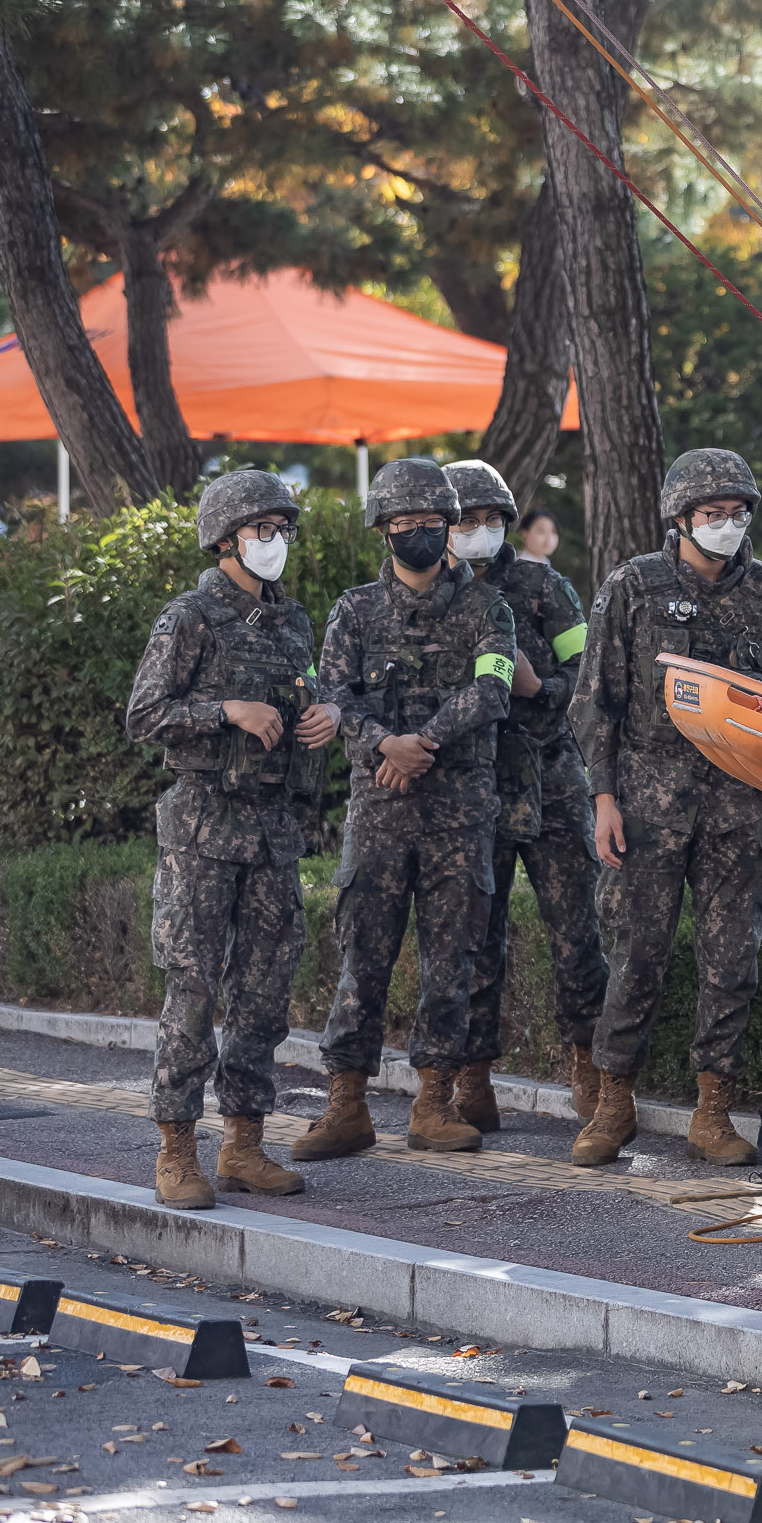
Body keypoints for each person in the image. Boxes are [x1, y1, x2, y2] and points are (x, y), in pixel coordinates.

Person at [573, 448, 762, 1167]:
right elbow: (596, 704)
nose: (726, 525)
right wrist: (603, 800)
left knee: (731, 960)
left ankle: (712, 1111)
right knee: (635, 959)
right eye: (712, 514)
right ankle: (611, 1101)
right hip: (646, 812)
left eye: (737, 512)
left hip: (735, 814)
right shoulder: (632, 587)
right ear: (680, 518)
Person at [124, 470, 336, 1209]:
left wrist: (325, 720)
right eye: (263, 530)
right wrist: (227, 711)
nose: (276, 542)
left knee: (265, 992)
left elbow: (309, 696)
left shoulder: (292, 621)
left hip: (273, 831)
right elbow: (144, 714)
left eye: (283, 529)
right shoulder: (188, 617)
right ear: (227, 538)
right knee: (192, 987)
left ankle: (244, 1142)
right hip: (203, 830)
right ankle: (176, 1148)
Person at [298, 458, 514, 1161]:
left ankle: (434, 1102)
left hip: (459, 808)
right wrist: (384, 742)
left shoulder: (489, 608)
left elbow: (493, 689)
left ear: (447, 525)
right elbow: (332, 696)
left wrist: (425, 740)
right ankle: (347, 1104)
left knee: (452, 960)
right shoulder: (354, 611)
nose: (416, 534)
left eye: (428, 523)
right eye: (402, 524)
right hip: (380, 808)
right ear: (382, 530)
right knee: (363, 957)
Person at [443, 460, 607, 1136]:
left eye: (490, 519)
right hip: (472, 788)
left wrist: (542, 690)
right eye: (464, 520)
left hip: (553, 783)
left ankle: (588, 1063)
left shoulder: (544, 585)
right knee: (474, 936)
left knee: (577, 929)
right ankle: (472, 1075)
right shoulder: (432, 596)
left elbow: (590, 675)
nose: (478, 531)